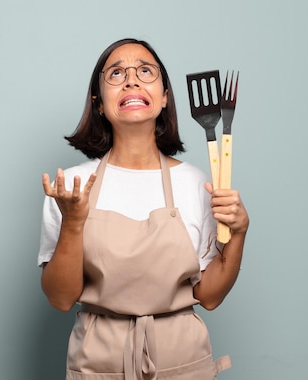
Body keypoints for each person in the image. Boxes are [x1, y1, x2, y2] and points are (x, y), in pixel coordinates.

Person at [38, 38, 249, 379]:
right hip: (98, 362)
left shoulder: (197, 183)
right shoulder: (71, 187)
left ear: (165, 96)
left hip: (182, 360)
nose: (131, 80)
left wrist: (239, 233)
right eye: (117, 73)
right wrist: (73, 223)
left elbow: (208, 296)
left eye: (145, 71)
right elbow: (61, 299)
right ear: (99, 102)